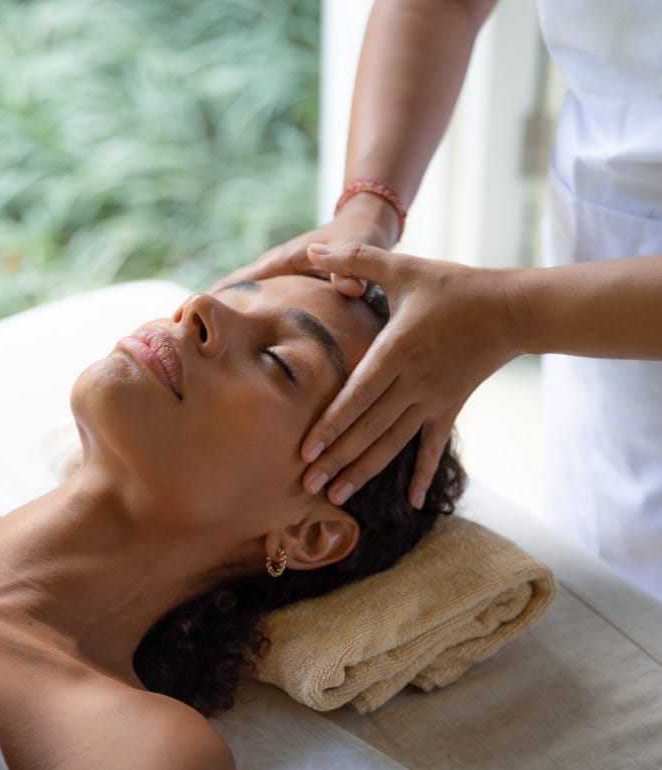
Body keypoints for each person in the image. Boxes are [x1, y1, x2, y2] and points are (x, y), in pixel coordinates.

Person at [0, 275, 465, 770]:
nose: (197, 309)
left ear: (307, 535)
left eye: (279, 360)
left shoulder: (128, 745)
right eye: (229, 297)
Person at [222, 0, 662, 600]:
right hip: (611, 220)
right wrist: (367, 206)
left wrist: (513, 313)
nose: (199, 310)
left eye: (280, 363)